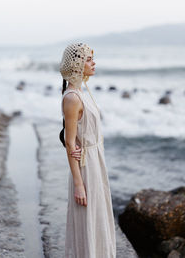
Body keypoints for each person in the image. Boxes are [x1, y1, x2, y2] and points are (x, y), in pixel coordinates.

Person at [59, 42, 116, 258]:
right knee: (87, 220)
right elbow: (70, 141)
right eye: (89, 59)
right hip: (85, 167)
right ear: (77, 64)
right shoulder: (72, 98)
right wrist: (78, 184)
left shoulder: (84, 91)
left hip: (95, 160)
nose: (93, 63)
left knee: (98, 218)